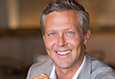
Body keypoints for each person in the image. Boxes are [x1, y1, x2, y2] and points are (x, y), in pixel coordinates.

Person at [26, 0, 115, 79]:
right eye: (52, 34)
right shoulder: (35, 72)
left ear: (85, 36)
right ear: (44, 39)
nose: (61, 42)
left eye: (69, 33)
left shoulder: (106, 76)